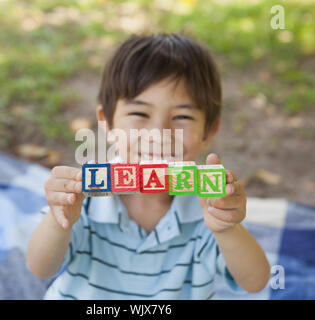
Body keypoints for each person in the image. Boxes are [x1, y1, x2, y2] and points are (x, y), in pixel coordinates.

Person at [26, 33, 270, 299]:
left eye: (182, 116)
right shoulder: (83, 199)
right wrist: (58, 220)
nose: (159, 132)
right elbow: (40, 268)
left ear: (209, 132)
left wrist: (228, 228)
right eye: (139, 113)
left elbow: (254, 282)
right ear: (107, 123)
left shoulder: (209, 208)